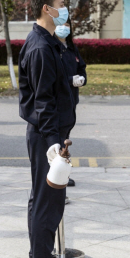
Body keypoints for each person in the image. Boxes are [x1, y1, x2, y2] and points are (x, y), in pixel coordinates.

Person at [19, 0, 79, 258]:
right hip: (47, 136)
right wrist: (54, 142)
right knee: (48, 201)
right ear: (47, 8)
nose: (64, 7)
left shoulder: (50, 42)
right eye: (60, 2)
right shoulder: (41, 47)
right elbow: (43, 101)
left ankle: (39, 254)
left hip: (51, 132)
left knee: (45, 199)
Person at [55, 19, 86, 188]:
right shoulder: (52, 48)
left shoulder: (72, 48)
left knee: (65, 136)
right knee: (58, 137)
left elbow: (81, 67)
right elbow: (51, 77)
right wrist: (69, 80)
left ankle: (63, 171)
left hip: (71, 99)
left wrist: (82, 79)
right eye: (61, 24)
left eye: (67, 25)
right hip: (57, 100)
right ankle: (57, 172)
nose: (64, 28)